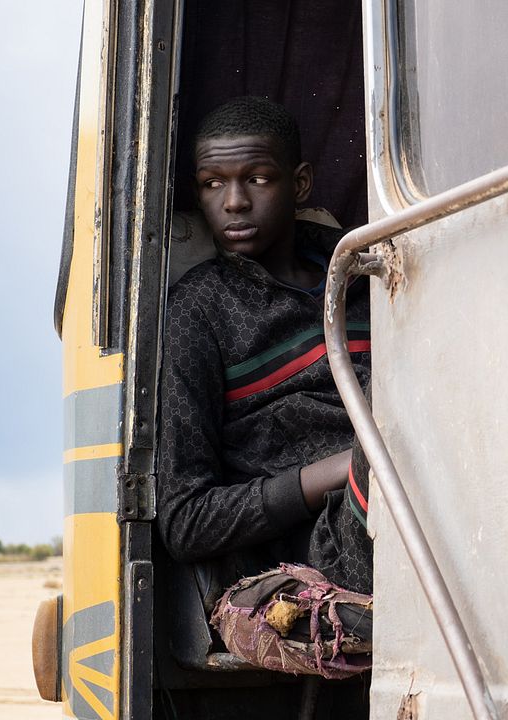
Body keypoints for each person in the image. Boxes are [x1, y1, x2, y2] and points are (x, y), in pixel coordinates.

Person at [158, 96, 374, 706]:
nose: (232, 202)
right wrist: (346, 467)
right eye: (211, 184)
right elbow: (185, 520)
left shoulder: (363, 275)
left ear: (299, 182)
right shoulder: (199, 313)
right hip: (326, 550)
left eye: (257, 178)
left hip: (416, 487)